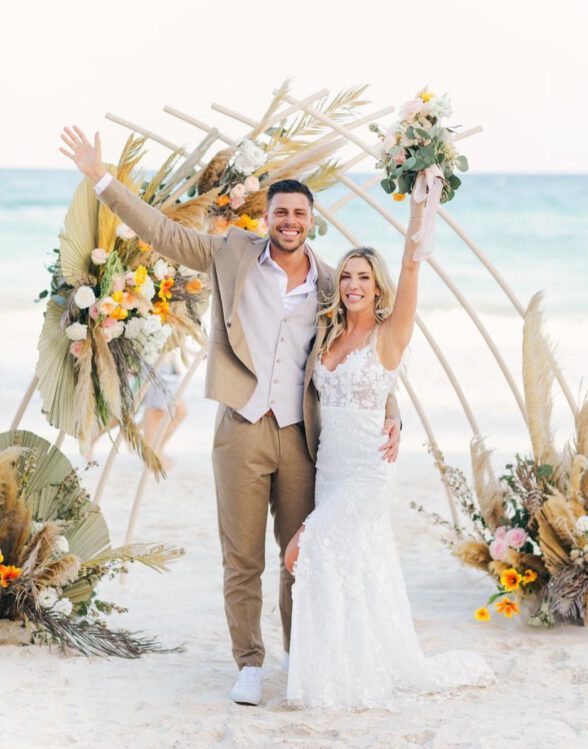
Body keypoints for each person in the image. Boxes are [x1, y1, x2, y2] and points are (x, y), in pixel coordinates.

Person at [59, 126, 402, 706]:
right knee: (242, 556)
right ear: (266, 218)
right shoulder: (231, 254)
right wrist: (102, 180)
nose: (289, 221)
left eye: (299, 212)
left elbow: (364, 350)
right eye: (280, 212)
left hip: (300, 436)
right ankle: (248, 662)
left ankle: (301, 660)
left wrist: (392, 411)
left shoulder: (329, 282)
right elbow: (163, 233)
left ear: (311, 221)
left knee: (302, 554)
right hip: (240, 429)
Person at [283, 196, 496, 709]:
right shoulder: (329, 334)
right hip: (329, 470)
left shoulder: (389, 335)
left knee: (302, 549)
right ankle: (337, 673)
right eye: (348, 276)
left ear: (378, 286)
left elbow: (411, 263)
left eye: (364, 277)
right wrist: (393, 410)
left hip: (366, 475)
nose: (354, 285)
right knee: (345, 567)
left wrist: (421, 208)